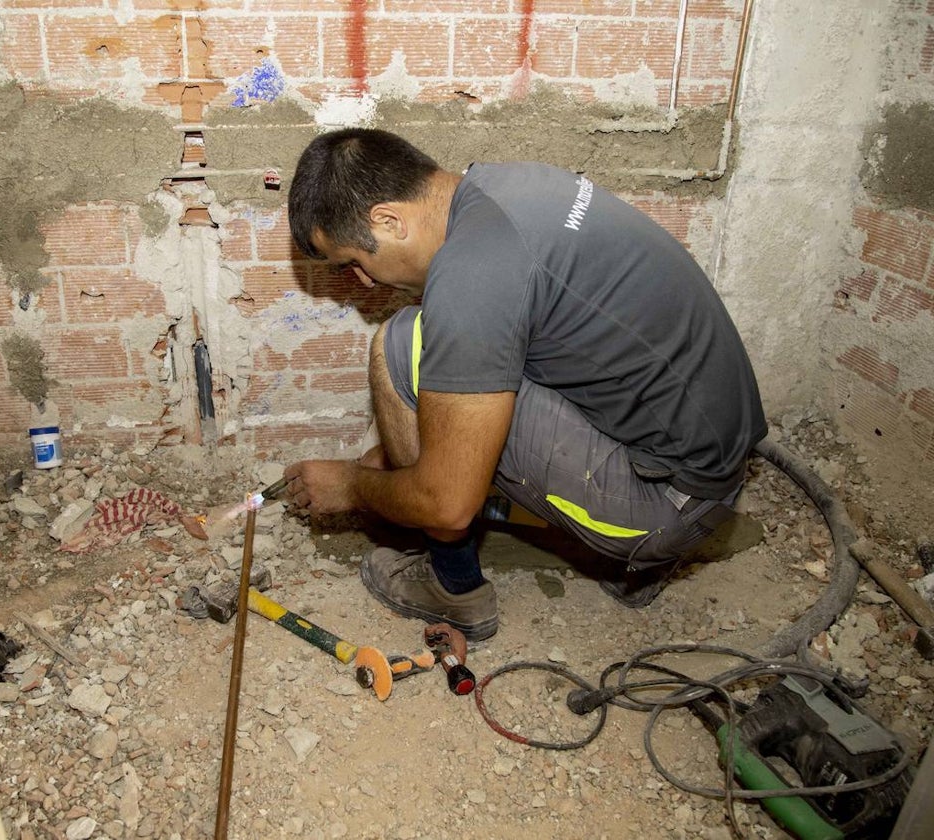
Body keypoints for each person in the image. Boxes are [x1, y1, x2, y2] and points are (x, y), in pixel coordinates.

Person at [281, 128, 767, 642]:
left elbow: (448, 502)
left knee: (403, 346)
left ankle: (454, 586)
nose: (363, 282)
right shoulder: (506, 187)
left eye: (354, 262)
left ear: (389, 221)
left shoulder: (472, 275)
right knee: (453, 369)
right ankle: (630, 557)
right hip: (705, 460)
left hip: (669, 502)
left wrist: (353, 486)